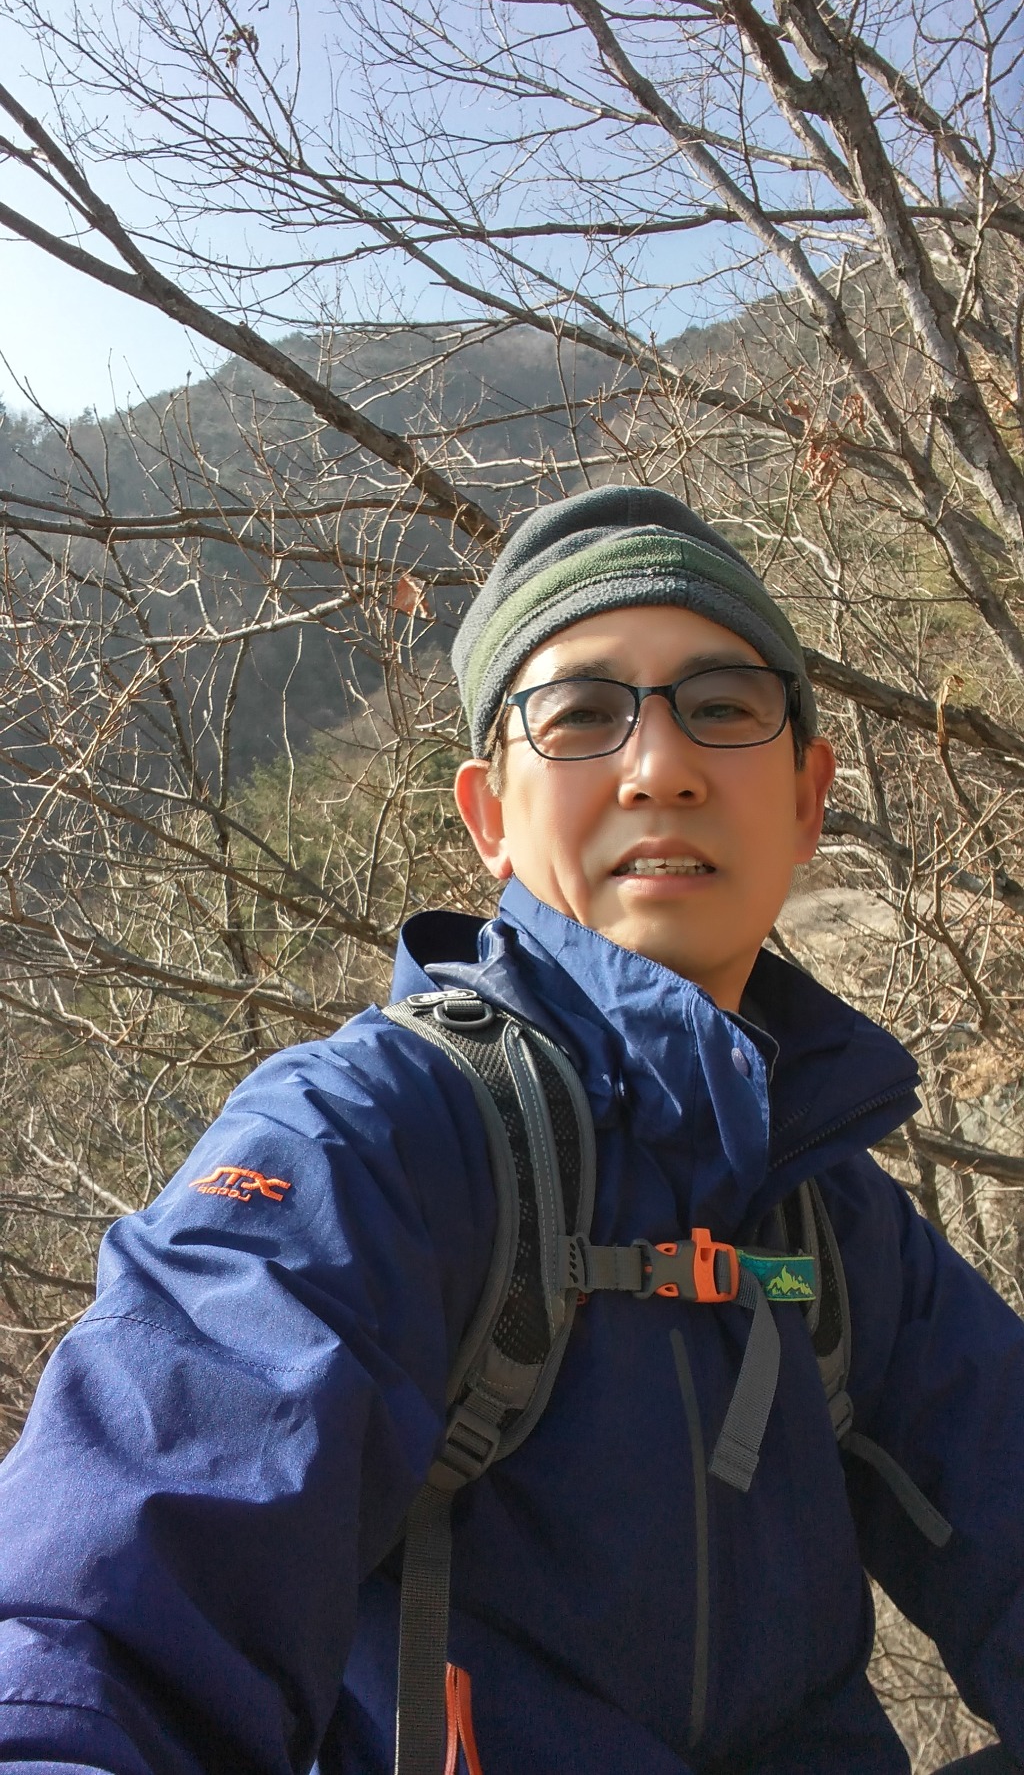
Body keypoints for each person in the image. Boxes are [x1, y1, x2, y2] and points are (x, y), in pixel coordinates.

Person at [0, 483, 1020, 1775]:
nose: (660, 767)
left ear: (810, 798)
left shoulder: (831, 1215)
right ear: (488, 817)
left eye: (724, 708)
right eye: (584, 714)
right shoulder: (369, 1138)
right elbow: (100, 1640)